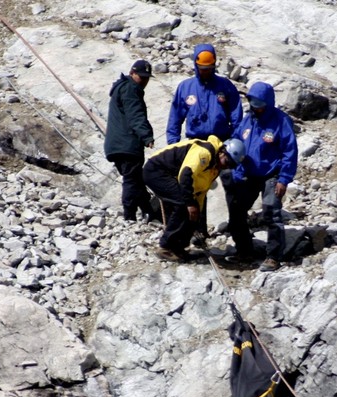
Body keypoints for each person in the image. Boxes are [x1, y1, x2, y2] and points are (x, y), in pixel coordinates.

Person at [224, 81, 298, 272]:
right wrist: (238, 173)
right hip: (249, 173)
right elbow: (237, 145)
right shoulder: (247, 121)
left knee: (271, 211)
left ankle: (273, 256)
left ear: (268, 103)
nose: (256, 109)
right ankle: (244, 251)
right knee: (237, 211)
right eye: (253, 104)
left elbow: (289, 152)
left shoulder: (281, 121)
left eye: (260, 105)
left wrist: (284, 179)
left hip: (271, 174)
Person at [143, 136, 246, 262]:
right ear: (222, 152)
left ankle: (179, 248)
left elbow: (201, 190)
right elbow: (185, 175)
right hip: (156, 170)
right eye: (227, 162)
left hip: (171, 175)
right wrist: (191, 204)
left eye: (231, 166)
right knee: (182, 204)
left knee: (193, 213)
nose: (226, 167)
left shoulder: (214, 168)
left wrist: (197, 210)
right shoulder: (204, 152)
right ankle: (165, 247)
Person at [103, 59, 157, 222]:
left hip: (116, 145)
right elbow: (136, 116)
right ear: (132, 73)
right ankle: (129, 217)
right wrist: (146, 136)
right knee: (131, 180)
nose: (144, 81)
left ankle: (149, 212)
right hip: (128, 145)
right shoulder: (131, 89)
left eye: (147, 77)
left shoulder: (121, 87)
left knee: (136, 178)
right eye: (141, 77)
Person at [166, 44, 243, 144]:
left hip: (221, 143)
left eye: (209, 68)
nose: (206, 71)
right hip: (195, 143)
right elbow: (175, 118)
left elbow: (236, 117)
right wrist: (173, 145)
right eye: (202, 68)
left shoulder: (226, 86)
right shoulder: (185, 88)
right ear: (196, 65)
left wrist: (234, 141)